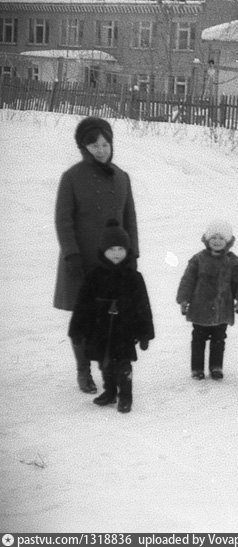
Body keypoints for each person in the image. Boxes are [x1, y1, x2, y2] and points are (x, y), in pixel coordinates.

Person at [54, 116, 139, 395]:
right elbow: (63, 220)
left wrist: (132, 255)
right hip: (80, 262)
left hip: (114, 263)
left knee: (111, 317)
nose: (101, 150)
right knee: (83, 317)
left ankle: (108, 371)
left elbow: (130, 220)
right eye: (94, 145)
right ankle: (83, 371)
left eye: (105, 144)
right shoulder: (72, 178)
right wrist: (72, 255)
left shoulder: (121, 177)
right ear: (83, 147)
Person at [68, 220, 153, 413]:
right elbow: (83, 305)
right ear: (103, 251)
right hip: (101, 330)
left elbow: (143, 307)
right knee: (104, 364)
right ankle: (110, 392)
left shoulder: (133, 277)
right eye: (112, 249)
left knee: (123, 365)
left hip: (124, 331)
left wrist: (145, 333)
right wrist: (77, 330)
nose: (116, 253)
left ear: (127, 250)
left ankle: (125, 396)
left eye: (121, 248)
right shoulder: (94, 277)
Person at [176, 220, 238, 380]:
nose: (217, 241)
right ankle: (197, 368)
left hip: (222, 308)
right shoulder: (198, 259)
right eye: (213, 237)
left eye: (221, 238)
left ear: (228, 241)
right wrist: (184, 299)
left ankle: (216, 367)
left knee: (219, 339)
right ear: (207, 239)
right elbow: (188, 279)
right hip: (200, 308)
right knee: (198, 339)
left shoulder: (233, 261)